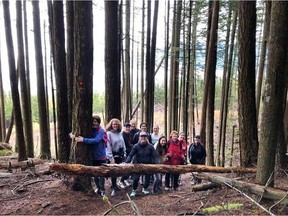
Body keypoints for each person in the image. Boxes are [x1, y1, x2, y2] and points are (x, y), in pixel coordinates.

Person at [74, 115, 106, 196]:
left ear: (99, 122)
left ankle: (102, 189)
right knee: (94, 173)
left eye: (96, 122)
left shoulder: (101, 131)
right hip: (93, 156)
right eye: (93, 121)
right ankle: (98, 188)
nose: (94, 123)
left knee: (101, 174)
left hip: (101, 156)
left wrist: (83, 139)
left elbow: (96, 140)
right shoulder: (90, 130)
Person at [125, 131, 159, 197]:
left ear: (146, 137)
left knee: (147, 179)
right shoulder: (136, 146)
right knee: (136, 179)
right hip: (138, 164)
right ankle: (134, 190)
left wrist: (157, 164)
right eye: (141, 136)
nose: (143, 138)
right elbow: (130, 155)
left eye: (144, 136)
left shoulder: (150, 147)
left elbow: (154, 156)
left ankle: (145, 189)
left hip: (148, 165)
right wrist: (126, 162)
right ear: (139, 137)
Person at [106, 118, 126, 196]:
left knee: (118, 171)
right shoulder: (109, 134)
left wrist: (124, 154)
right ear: (111, 125)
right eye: (113, 124)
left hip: (120, 155)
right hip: (113, 155)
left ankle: (115, 185)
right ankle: (113, 187)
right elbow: (108, 146)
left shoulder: (120, 133)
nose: (115, 126)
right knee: (113, 172)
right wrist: (111, 158)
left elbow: (123, 144)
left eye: (116, 124)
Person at [117, 122, 133, 189]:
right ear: (124, 128)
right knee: (125, 168)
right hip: (124, 154)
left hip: (129, 153)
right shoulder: (122, 135)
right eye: (126, 127)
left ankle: (124, 180)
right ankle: (120, 181)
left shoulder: (129, 134)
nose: (128, 128)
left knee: (129, 168)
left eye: (129, 127)